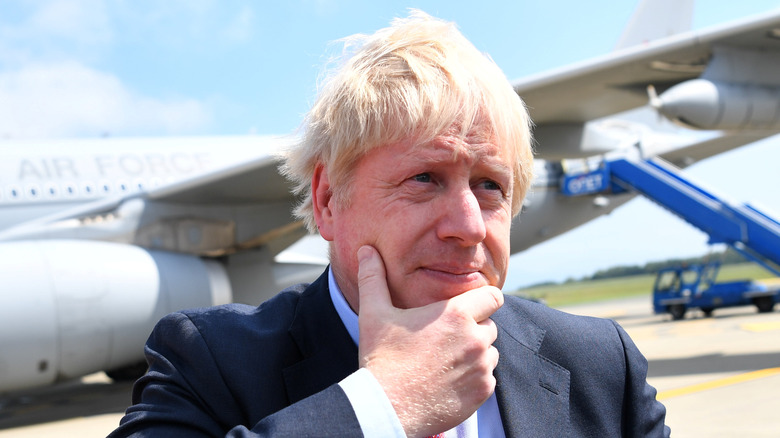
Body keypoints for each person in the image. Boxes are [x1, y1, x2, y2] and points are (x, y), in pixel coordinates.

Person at [110, 10, 669, 438]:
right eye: (425, 178)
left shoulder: (599, 363)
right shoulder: (209, 361)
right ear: (329, 201)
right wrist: (383, 405)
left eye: (490, 185)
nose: (469, 226)